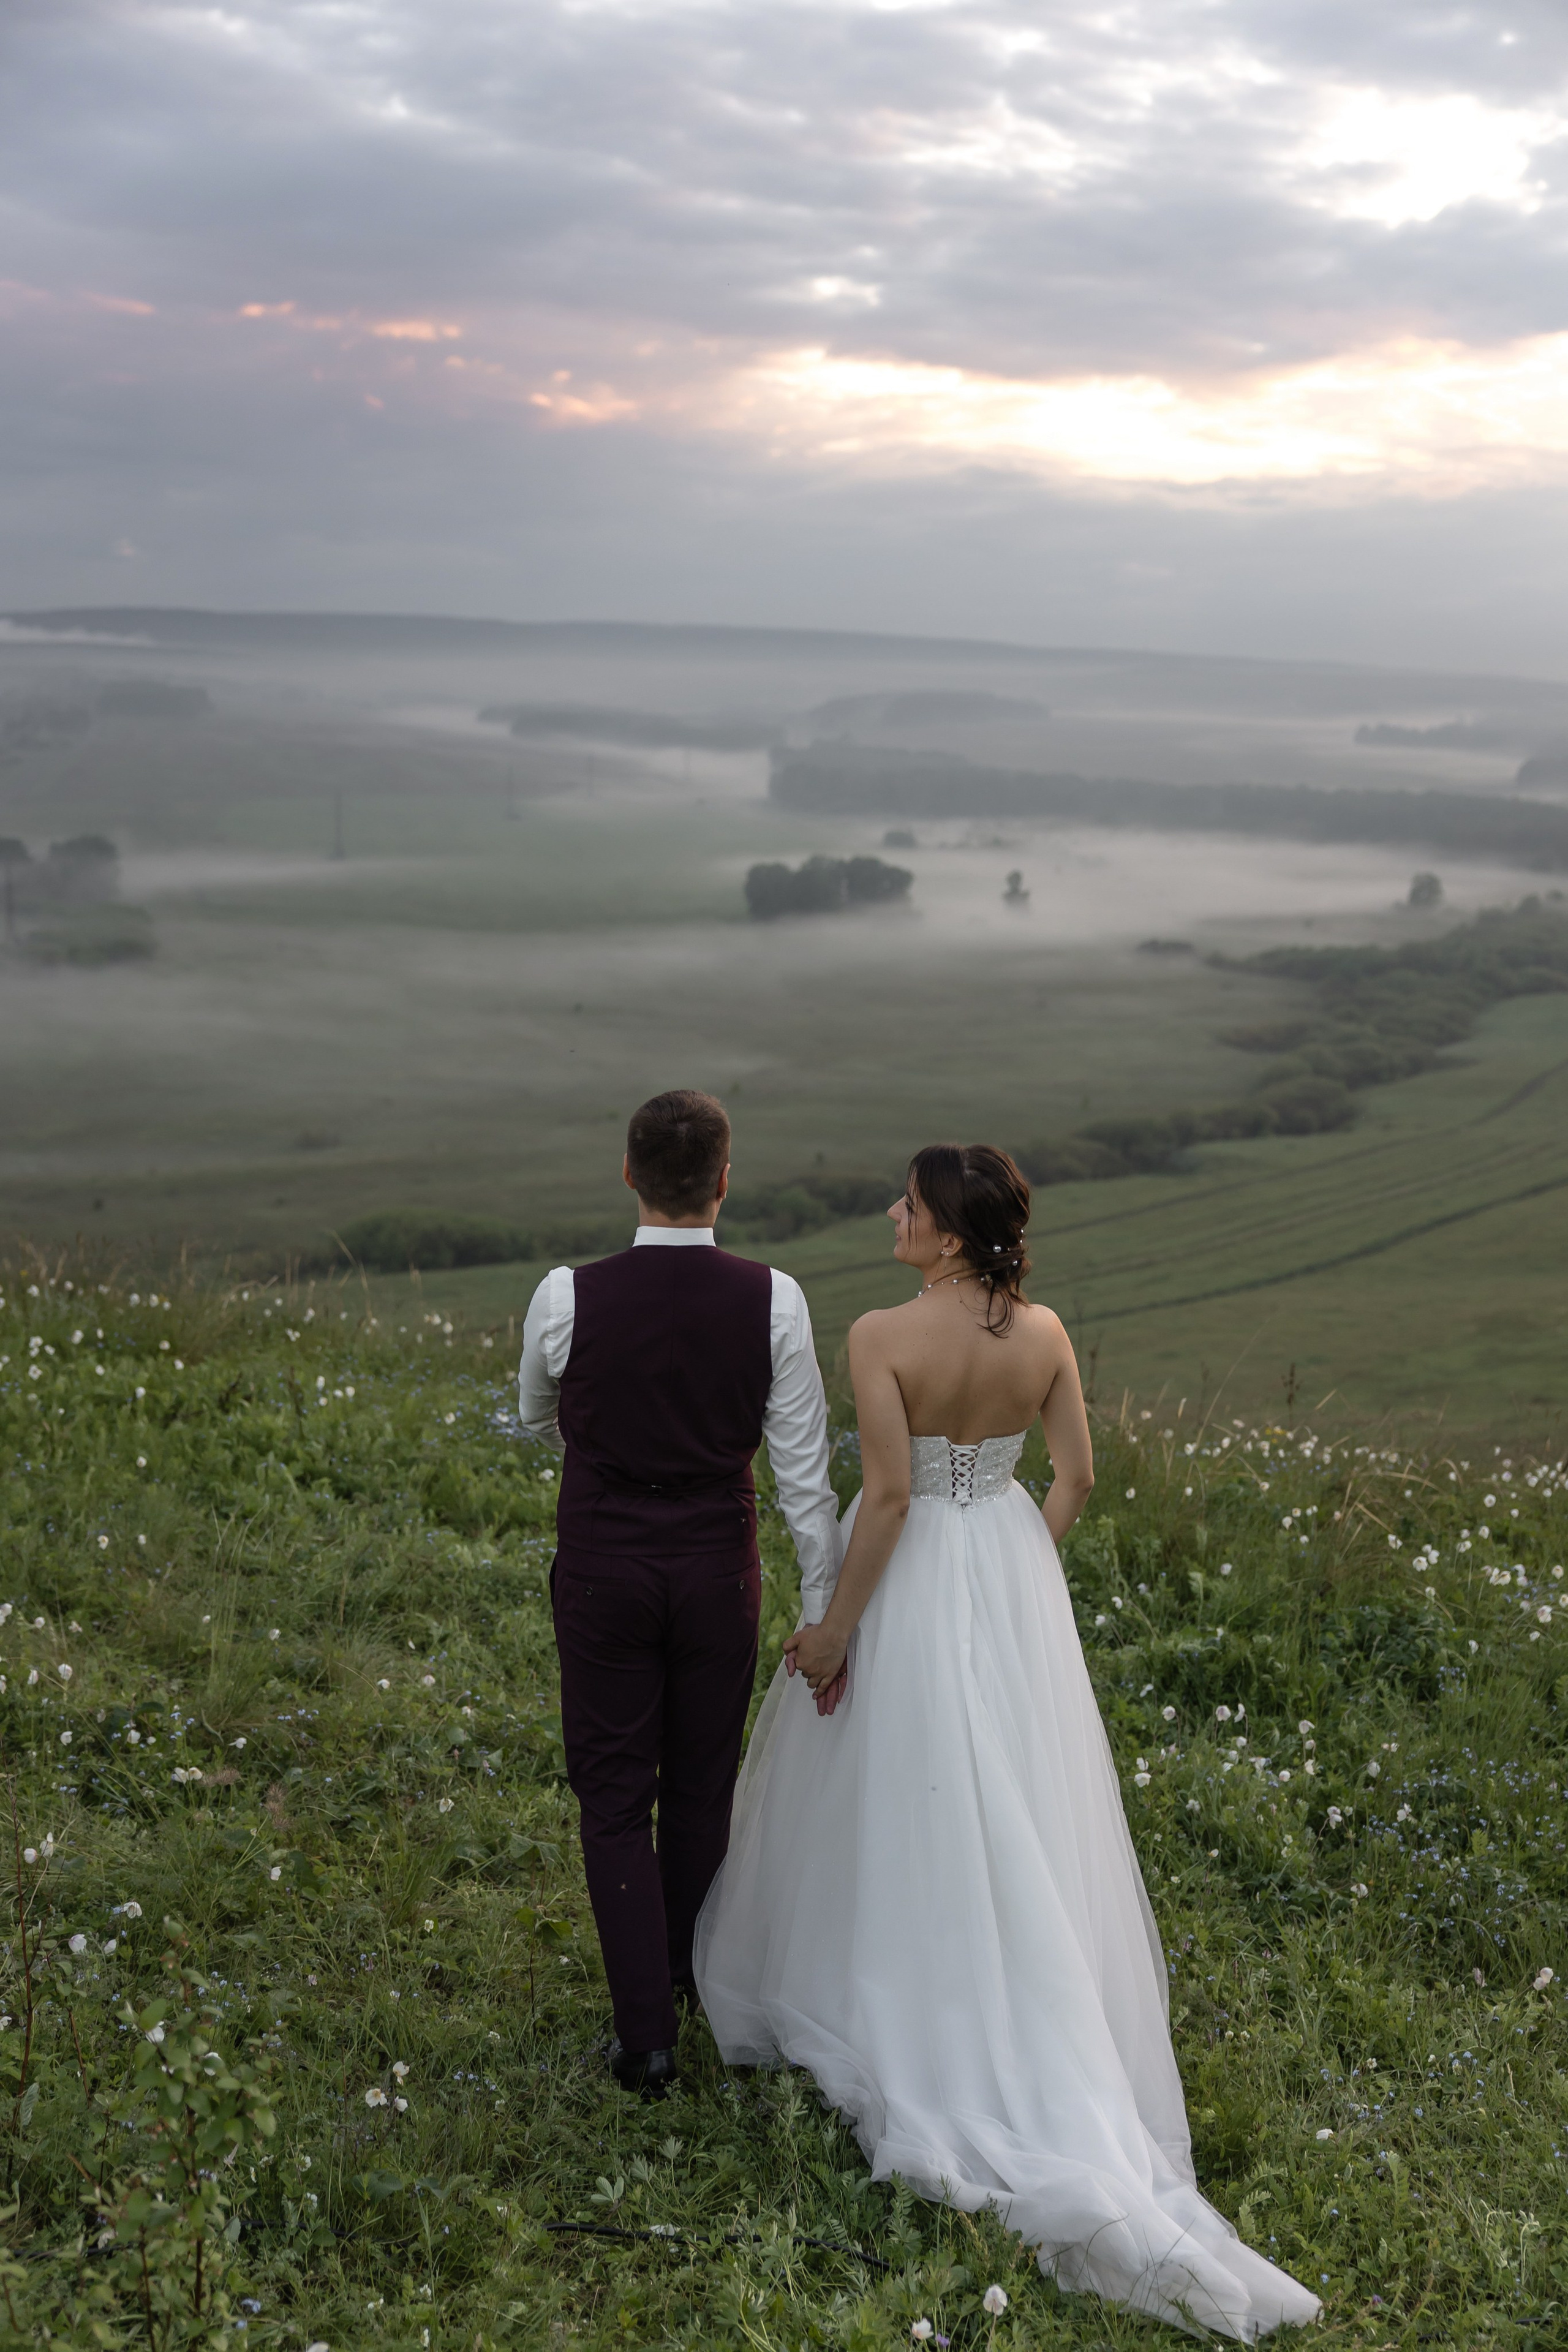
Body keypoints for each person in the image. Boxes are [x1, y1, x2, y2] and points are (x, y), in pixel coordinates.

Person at [693, 1144, 1322, 2339]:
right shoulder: (1045, 1334)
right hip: (1006, 1566)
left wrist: (834, 1630)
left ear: (946, 1233)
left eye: (909, 1203)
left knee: (901, 1785)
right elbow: (1074, 1478)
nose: (891, 1212)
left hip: (911, 1570)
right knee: (1013, 1795)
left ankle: (902, 1993)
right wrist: (1015, 1563)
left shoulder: (879, 1336)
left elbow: (887, 1499)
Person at [518, 1089, 840, 2097]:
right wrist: (824, 1612)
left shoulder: (565, 1297)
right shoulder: (775, 1300)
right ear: (725, 1182)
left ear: (629, 1174)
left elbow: (535, 1414)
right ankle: (689, 1988)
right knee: (702, 1783)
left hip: (604, 1568)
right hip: (716, 1570)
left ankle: (645, 2039)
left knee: (614, 1793)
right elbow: (804, 1476)